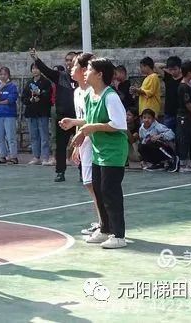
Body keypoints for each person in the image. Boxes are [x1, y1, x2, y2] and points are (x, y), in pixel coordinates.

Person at [61, 58, 129, 249]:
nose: (85, 72)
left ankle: (119, 235)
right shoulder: (91, 95)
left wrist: (89, 128)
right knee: (99, 190)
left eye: (89, 69)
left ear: (100, 74)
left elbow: (118, 124)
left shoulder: (110, 96)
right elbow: (89, 120)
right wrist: (76, 124)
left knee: (111, 192)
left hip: (113, 152)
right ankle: (105, 229)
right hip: (99, 151)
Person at [31, 49, 77, 182]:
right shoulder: (60, 76)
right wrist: (36, 59)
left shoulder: (83, 78)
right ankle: (60, 172)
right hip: (63, 117)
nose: (69, 62)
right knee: (61, 146)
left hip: (78, 118)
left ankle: (83, 172)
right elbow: (46, 70)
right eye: (67, 60)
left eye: (71, 60)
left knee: (82, 146)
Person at [67, 52, 100, 236]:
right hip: (84, 140)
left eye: (74, 66)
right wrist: (77, 144)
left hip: (93, 140)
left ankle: (105, 222)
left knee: (94, 183)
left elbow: (90, 119)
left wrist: (76, 128)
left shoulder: (92, 92)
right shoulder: (77, 92)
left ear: (83, 70)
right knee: (89, 183)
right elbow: (81, 119)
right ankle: (102, 221)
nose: (71, 69)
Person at [22, 63, 52, 165]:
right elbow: (23, 98)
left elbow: (48, 95)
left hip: (42, 112)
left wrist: (41, 95)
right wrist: (30, 99)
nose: (35, 70)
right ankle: (36, 157)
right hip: (31, 112)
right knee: (34, 136)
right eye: (33, 68)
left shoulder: (46, 82)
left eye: (37, 68)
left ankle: (45, 157)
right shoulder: (28, 83)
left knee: (44, 136)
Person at [175, 61, 191, 173]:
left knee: (188, 138)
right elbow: (187, 103)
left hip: (188, 116)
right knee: (183, 139)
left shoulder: (188, 85)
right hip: (184, 116)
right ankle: (183, 164)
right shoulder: (183, 86)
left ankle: (186, 162)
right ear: (189, 72)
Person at [0, 66, 19, 164]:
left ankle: (13, 156)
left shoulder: (12, 86)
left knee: (10, 137)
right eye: (1, 74)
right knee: (0, 137)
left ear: (8, 75)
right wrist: (0, 88)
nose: (3, 76)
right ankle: (2, 155)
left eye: (5, 74)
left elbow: (10, 100)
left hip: (9, 114)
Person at [157, 56, 183, 130]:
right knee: (167, 135)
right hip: (169, 112)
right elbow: (156, 66)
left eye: (175, 69)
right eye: (170, 70)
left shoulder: (184, 78)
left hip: (180, 112)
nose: (173, 72)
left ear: (180, 68)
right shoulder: (168, 76)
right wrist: (167, 65)